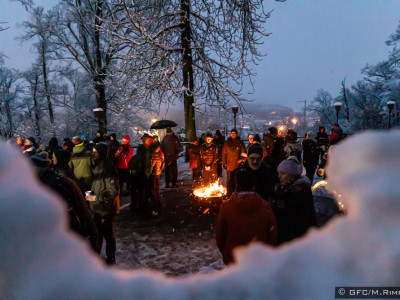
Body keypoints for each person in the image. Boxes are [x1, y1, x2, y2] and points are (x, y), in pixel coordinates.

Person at [30, 152, 99, 252]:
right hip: (85, 190)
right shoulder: (61, 179)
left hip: (73, 246)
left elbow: (70, 220)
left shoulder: (55, 185)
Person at [216, 168, 278, 265]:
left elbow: (220, 236)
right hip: (259, 258)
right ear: (253, 185)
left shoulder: (226, 207)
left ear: (236, 185)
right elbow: (273, 234)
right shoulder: (264, 206)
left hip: (234, 258)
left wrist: (228, 252)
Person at [270, 156, 317, 245]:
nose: (279, 176)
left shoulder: (301, 192)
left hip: (296, 238)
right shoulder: (281, 189)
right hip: (284, 236)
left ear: (292, 175)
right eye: (278, 173)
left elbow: (306, 218)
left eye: (283, 173)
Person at [87, 143, 119, 265]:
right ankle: (96, 256)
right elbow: (95, 185)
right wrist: (89, 196)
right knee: (96, 234)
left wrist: (95, 198)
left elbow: (112, 191)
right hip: (97, 208)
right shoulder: (97, 167)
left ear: (101, 153)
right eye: (93, 152)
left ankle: (111, 258)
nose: (93, 154)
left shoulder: (108, 168)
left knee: (108, 234)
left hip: (105, 209)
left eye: (95, 152)